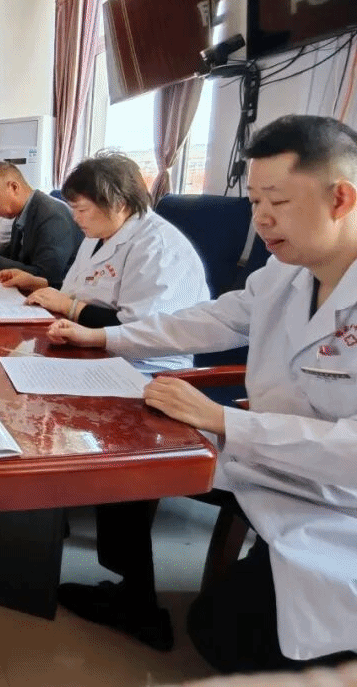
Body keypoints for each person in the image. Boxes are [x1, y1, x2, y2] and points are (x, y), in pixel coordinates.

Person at [48, 116, 357, 673]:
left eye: (278, 201)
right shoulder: (284, 274)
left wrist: (225, 421)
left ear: (341, 198)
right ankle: (133, 597)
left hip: (338, 503)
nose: (261, 218)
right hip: (270, 463)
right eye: (255, 201)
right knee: (124, 436)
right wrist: (103, 337)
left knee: (223, 636)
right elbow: (205, 321)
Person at [0, 153, 210, 369]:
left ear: (118, 204)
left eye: (82, 210)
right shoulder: (99, 233)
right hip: (90, 346)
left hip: (144, 366)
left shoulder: (156, 247)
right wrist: (40, 285)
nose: (75, 218)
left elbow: (139, 330)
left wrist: (71, 308)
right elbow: (80, 290)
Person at [0, 161, 84, 286]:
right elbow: (12, 256)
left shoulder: (51, 215)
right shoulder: (23, 213)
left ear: (14, 187)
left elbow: (46, 275)